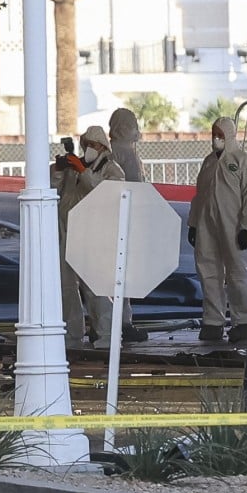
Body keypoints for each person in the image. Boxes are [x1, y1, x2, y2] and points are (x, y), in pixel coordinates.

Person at [52, 125, 125, 351]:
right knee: (67, 287)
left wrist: (82, 170)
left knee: (97, 287)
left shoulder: (113, 170)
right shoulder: (76, 167)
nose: (89, 149)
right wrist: (60, 168)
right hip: (68, 231)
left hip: (94, 235)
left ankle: (108, 336)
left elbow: (101, 192)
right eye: (86, 145)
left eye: (93, 145)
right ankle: (72, 335)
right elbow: (55, 188)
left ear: (103, 146)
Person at [187, 117, 247, 343]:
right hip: (207, 225)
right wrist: (194, 223)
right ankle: (213, 322)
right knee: (208, 272)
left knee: (237, 272)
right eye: (213, 133)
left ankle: (243, 321)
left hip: (233, 225)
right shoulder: (208, 162)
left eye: (219, 134)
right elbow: (198, 196)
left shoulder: (241, 160)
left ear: (229, 134)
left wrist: (246, 226)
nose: (215, 138)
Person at [107, 108, 149, 343]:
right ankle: (123, 322)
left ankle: (106, 320)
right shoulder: (128, 155)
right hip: (125, 221)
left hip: (108, 219)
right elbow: (137, 188)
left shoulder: (110, 152)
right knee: (123, 274)